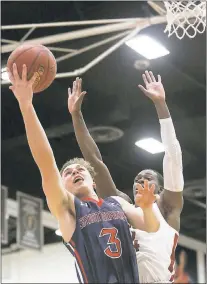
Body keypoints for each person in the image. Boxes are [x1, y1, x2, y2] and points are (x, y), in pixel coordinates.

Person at [8, 64, 160, 284]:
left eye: (80, 169)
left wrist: (146, 208)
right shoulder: (68, 210)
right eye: (67, 173)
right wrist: (26, 105)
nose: (75, 171)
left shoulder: (117, 203)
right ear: (61, 185)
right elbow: (45, 162)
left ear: (93, 180)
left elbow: (151, 227)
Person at [68, 71, 184, 283]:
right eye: (136, 179)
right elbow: (94, 161)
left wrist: (161, 105)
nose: (139, 180)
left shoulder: (168, 207)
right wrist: (76, 115)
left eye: (147, 177)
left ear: (160, 189)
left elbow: (173, 156)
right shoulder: (120, 206)